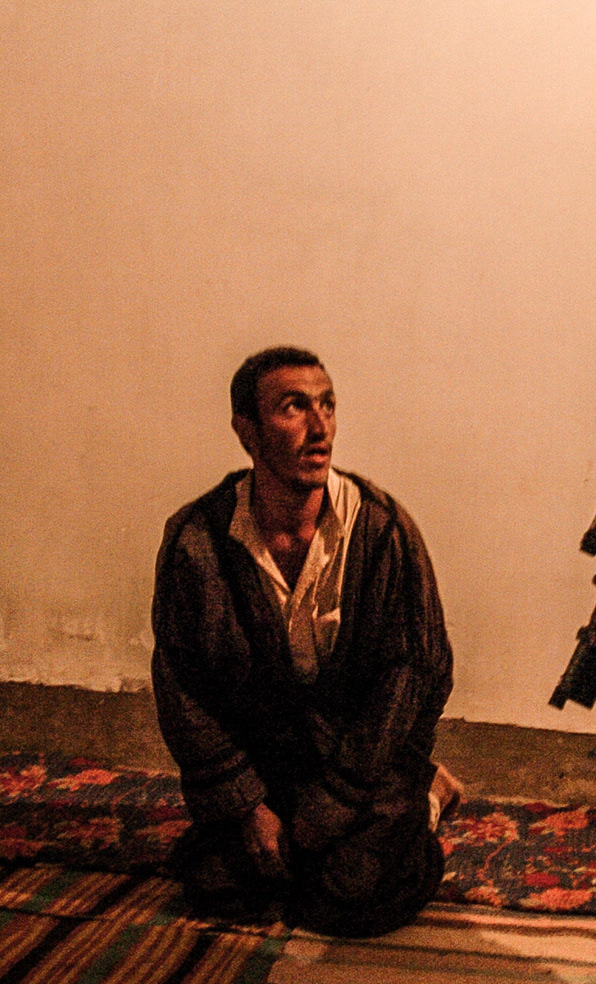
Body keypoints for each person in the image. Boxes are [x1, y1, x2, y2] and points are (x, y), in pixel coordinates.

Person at [151, 347, 460, 938]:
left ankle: (425, 796)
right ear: (247, 430)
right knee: (223, 888)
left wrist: (338, 801)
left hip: (362, 758)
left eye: (328, 407)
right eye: (294, 408)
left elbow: (416, 672)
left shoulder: (384, 528)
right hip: (268, 762)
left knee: (352, 895)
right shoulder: (198, 538)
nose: (320, 429)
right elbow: (180, 682)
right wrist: (248, 806)